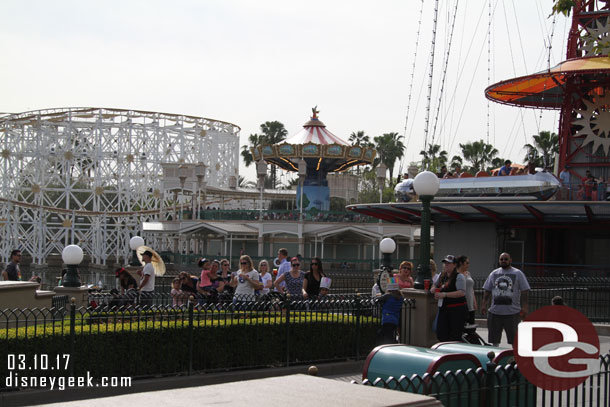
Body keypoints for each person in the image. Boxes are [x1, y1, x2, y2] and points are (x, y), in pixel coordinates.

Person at [481, 252, 530, 346]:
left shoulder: (518, 273)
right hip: (495, 312)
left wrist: (525, 307)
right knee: (494, 340)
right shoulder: (494, 273)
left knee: (514, 341)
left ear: (510, 260)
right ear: (499, 261)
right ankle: (495, 358)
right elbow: (487, 290)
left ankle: (515, 359)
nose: (503, 261)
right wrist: (483, 304)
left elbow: (525, 291)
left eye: (506, 259)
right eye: (501, 259)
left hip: (512, 313)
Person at [432, 255, 467, 342]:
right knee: (440, 333)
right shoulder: (442, 275)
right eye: (445, 263)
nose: (446, 265)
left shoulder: (459, 276)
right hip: (444, 308)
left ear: (455, 265)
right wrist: (433, 288)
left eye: (449, 263)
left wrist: (445, 294)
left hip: (456, 309)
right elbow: (435, 284)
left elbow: (461, 292)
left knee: (454, 335)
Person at [376, 277, 403, 345]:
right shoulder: (401, 297)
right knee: (389, 335)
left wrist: (379, 295)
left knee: (384, 336)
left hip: (387, 318)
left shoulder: (388, 296)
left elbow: (378, 299)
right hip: (395, 319)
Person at [456, 255, 477, 325]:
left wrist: (474, 301)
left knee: (471, 327)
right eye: (467, 263)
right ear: (461, 263)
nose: (468, 265)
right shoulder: (457, 275)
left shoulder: (468, 273)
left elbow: (471, 289)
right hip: (461, 306)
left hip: (470, 305)